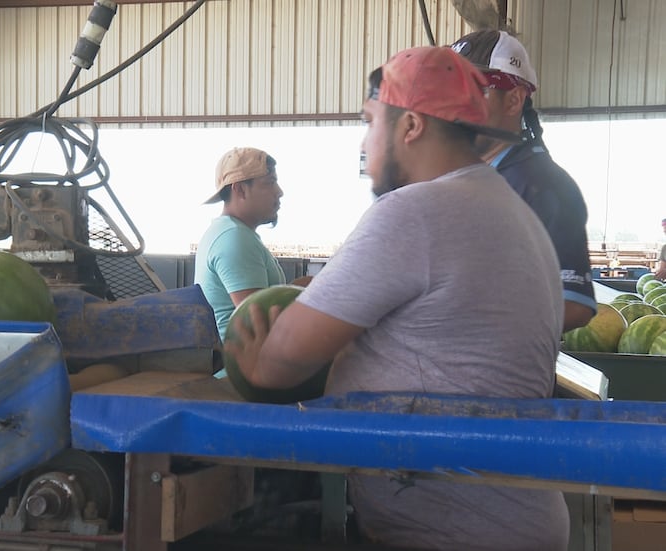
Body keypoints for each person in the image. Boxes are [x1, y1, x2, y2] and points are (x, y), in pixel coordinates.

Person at [226, 46, 569, 550]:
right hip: (506, 520)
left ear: (410, 126)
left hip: (460, 532)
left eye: (370, 122)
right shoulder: (510, 209)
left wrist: (257, 357)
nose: (366, 141)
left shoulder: (415, 211)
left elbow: (278, 363)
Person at [451, 30, 596, 332]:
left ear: (514, 100)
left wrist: (470, 334)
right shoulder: (462, 182)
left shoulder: (545, 188)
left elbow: (574, 304)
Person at [194, 147, 286, 342]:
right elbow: (259, 327)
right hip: (245, 369)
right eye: (270, 183)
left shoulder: (229, 232)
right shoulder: (234, 237)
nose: (280, 192)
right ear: (240, 189)